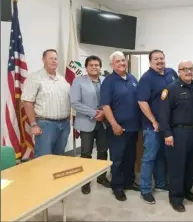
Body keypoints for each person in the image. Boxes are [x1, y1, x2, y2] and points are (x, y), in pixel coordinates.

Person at [158, 60, 193, 212]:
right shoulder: (170, 89)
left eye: (191, 68)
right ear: (179, 71)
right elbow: (163, 114)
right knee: (177, 166)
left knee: (191, 165)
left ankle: (186, 191)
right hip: (178, 133)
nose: (188, 71)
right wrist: (167, 134)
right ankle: (176, 197)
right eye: (185, 69)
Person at [137, 49, 178, 204]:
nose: (160, 61)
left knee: (161, 156)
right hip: (152, 126)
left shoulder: (171, 72)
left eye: (162, 58)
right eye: (156, 59)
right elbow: (142, 101)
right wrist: (154, 121)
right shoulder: (146, 78)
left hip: (167, 125)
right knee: (149, 157)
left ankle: (161, 184)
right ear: (150, 61)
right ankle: (145, 189)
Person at [100, 51, 141, 202]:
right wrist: (114, 124)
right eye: (118, 61)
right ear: (112, 64)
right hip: (118, 129)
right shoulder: (109, 81)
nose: (122, 63)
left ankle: (129, 182)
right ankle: (117, 186)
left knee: (130, 157)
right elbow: (105, 105)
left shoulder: (132, 78)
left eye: (123, 60)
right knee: (117, 159)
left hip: (133, 127)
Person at [69, 55, 111, 194]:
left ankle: (101, 178)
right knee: (86, 153)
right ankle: (85, 182)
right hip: (87, 122)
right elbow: (75, 102)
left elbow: (111, 99)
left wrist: (104, 114)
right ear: (86, 67)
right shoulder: (78, 81)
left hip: (104, 123)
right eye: (91, 65)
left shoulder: (106, 80)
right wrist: (94, 113)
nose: (94, 67)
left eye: (97, 65)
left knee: (103, 152)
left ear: (100, 67)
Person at [21, 49, 71, 158]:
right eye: (50, 58)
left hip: (64, 125)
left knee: (59, 157)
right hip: (45, 125)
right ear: (43, 60)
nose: (54, 61)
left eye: (56, 58)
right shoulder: (35, 78)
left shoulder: (62, 80)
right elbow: (27, 102)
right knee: (43, 158)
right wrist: (34, 124)